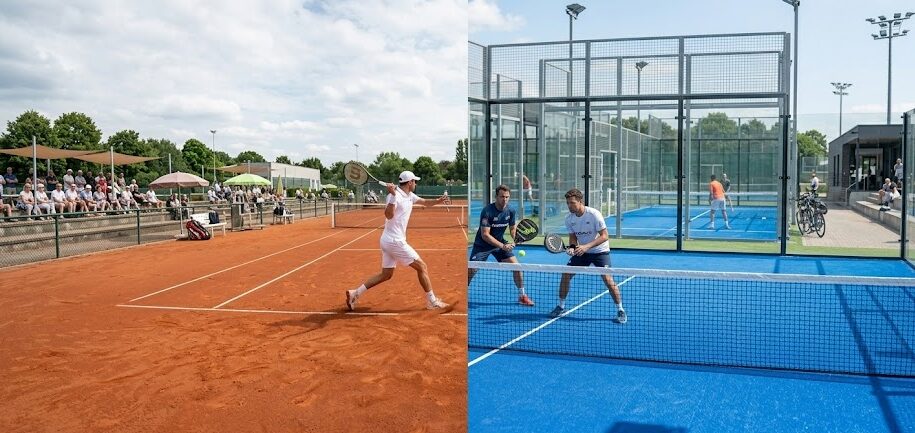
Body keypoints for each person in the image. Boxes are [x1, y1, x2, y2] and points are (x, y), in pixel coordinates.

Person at [346, 171, 450, 311]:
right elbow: (388, 215)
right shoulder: (393, 196)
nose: (416, 183)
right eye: (414, 181)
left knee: (386, 274)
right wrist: (393, 196)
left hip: (388, 240)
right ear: (409, 183)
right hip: (394, 241)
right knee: (422, 267)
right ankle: (432, 301)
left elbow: (425, 202)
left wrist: (438, 201)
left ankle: (355, 293)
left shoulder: (410, 195)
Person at [549, 188, 626, 324]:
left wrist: (586, 246)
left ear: (580, 201)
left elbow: (605, 236)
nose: (569, 206)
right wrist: (572, 247)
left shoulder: (594, 214)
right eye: (567, 203)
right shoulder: (569, 219)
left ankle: (620, 309)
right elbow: (573, 237)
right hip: (582, 252)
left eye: (572, 203)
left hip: (600, 251)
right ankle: (561, 306)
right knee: (566, 274)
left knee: (608, 280)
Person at [467, 185, 533, 306]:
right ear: (496, 197)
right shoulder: (487, 211)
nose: (505, 199)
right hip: (482, 245)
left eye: (507, 197)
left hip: (500, 243)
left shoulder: (511, 210)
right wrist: (503, 246)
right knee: (472, 269)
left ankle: (522, 296)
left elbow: (512, 229)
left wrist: (516, 238)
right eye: (502, 196)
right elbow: (485, 235)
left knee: (517, 267)